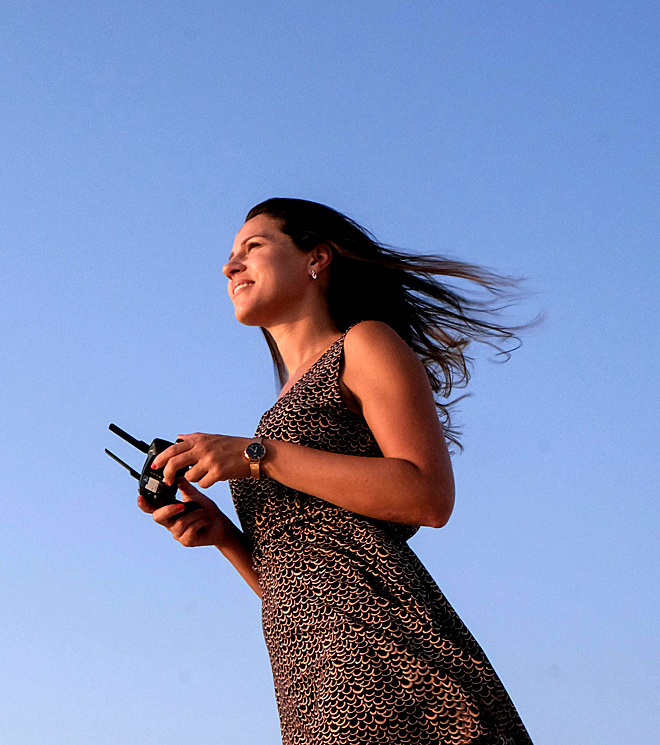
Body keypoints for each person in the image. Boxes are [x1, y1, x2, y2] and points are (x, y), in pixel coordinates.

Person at [141, 198, 532, 745]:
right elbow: (304, 587)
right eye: (230, 255)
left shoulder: (363, 344)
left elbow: (429, 495)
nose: (230, 266)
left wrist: (256, 456)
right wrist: (225, 536)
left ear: (316, 258)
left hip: (384, 666)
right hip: (311, 682)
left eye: (253, 246)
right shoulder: (279, 408)